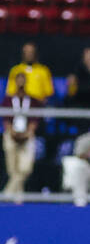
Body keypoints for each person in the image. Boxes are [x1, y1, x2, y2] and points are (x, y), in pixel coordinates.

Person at [3, 72, 41, 201]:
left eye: (23, 80)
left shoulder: (33, 100)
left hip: (28, 134)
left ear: (26, 81)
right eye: (18, 80)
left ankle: (6, 195)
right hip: (11, 134)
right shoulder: (8, 99)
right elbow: (5, 118)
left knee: (25, 169)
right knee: (12, 170)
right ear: (14, 82)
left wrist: (29, 132)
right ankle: (18, 200)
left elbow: (35, 119)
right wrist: (11, 131)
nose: (20, 82)